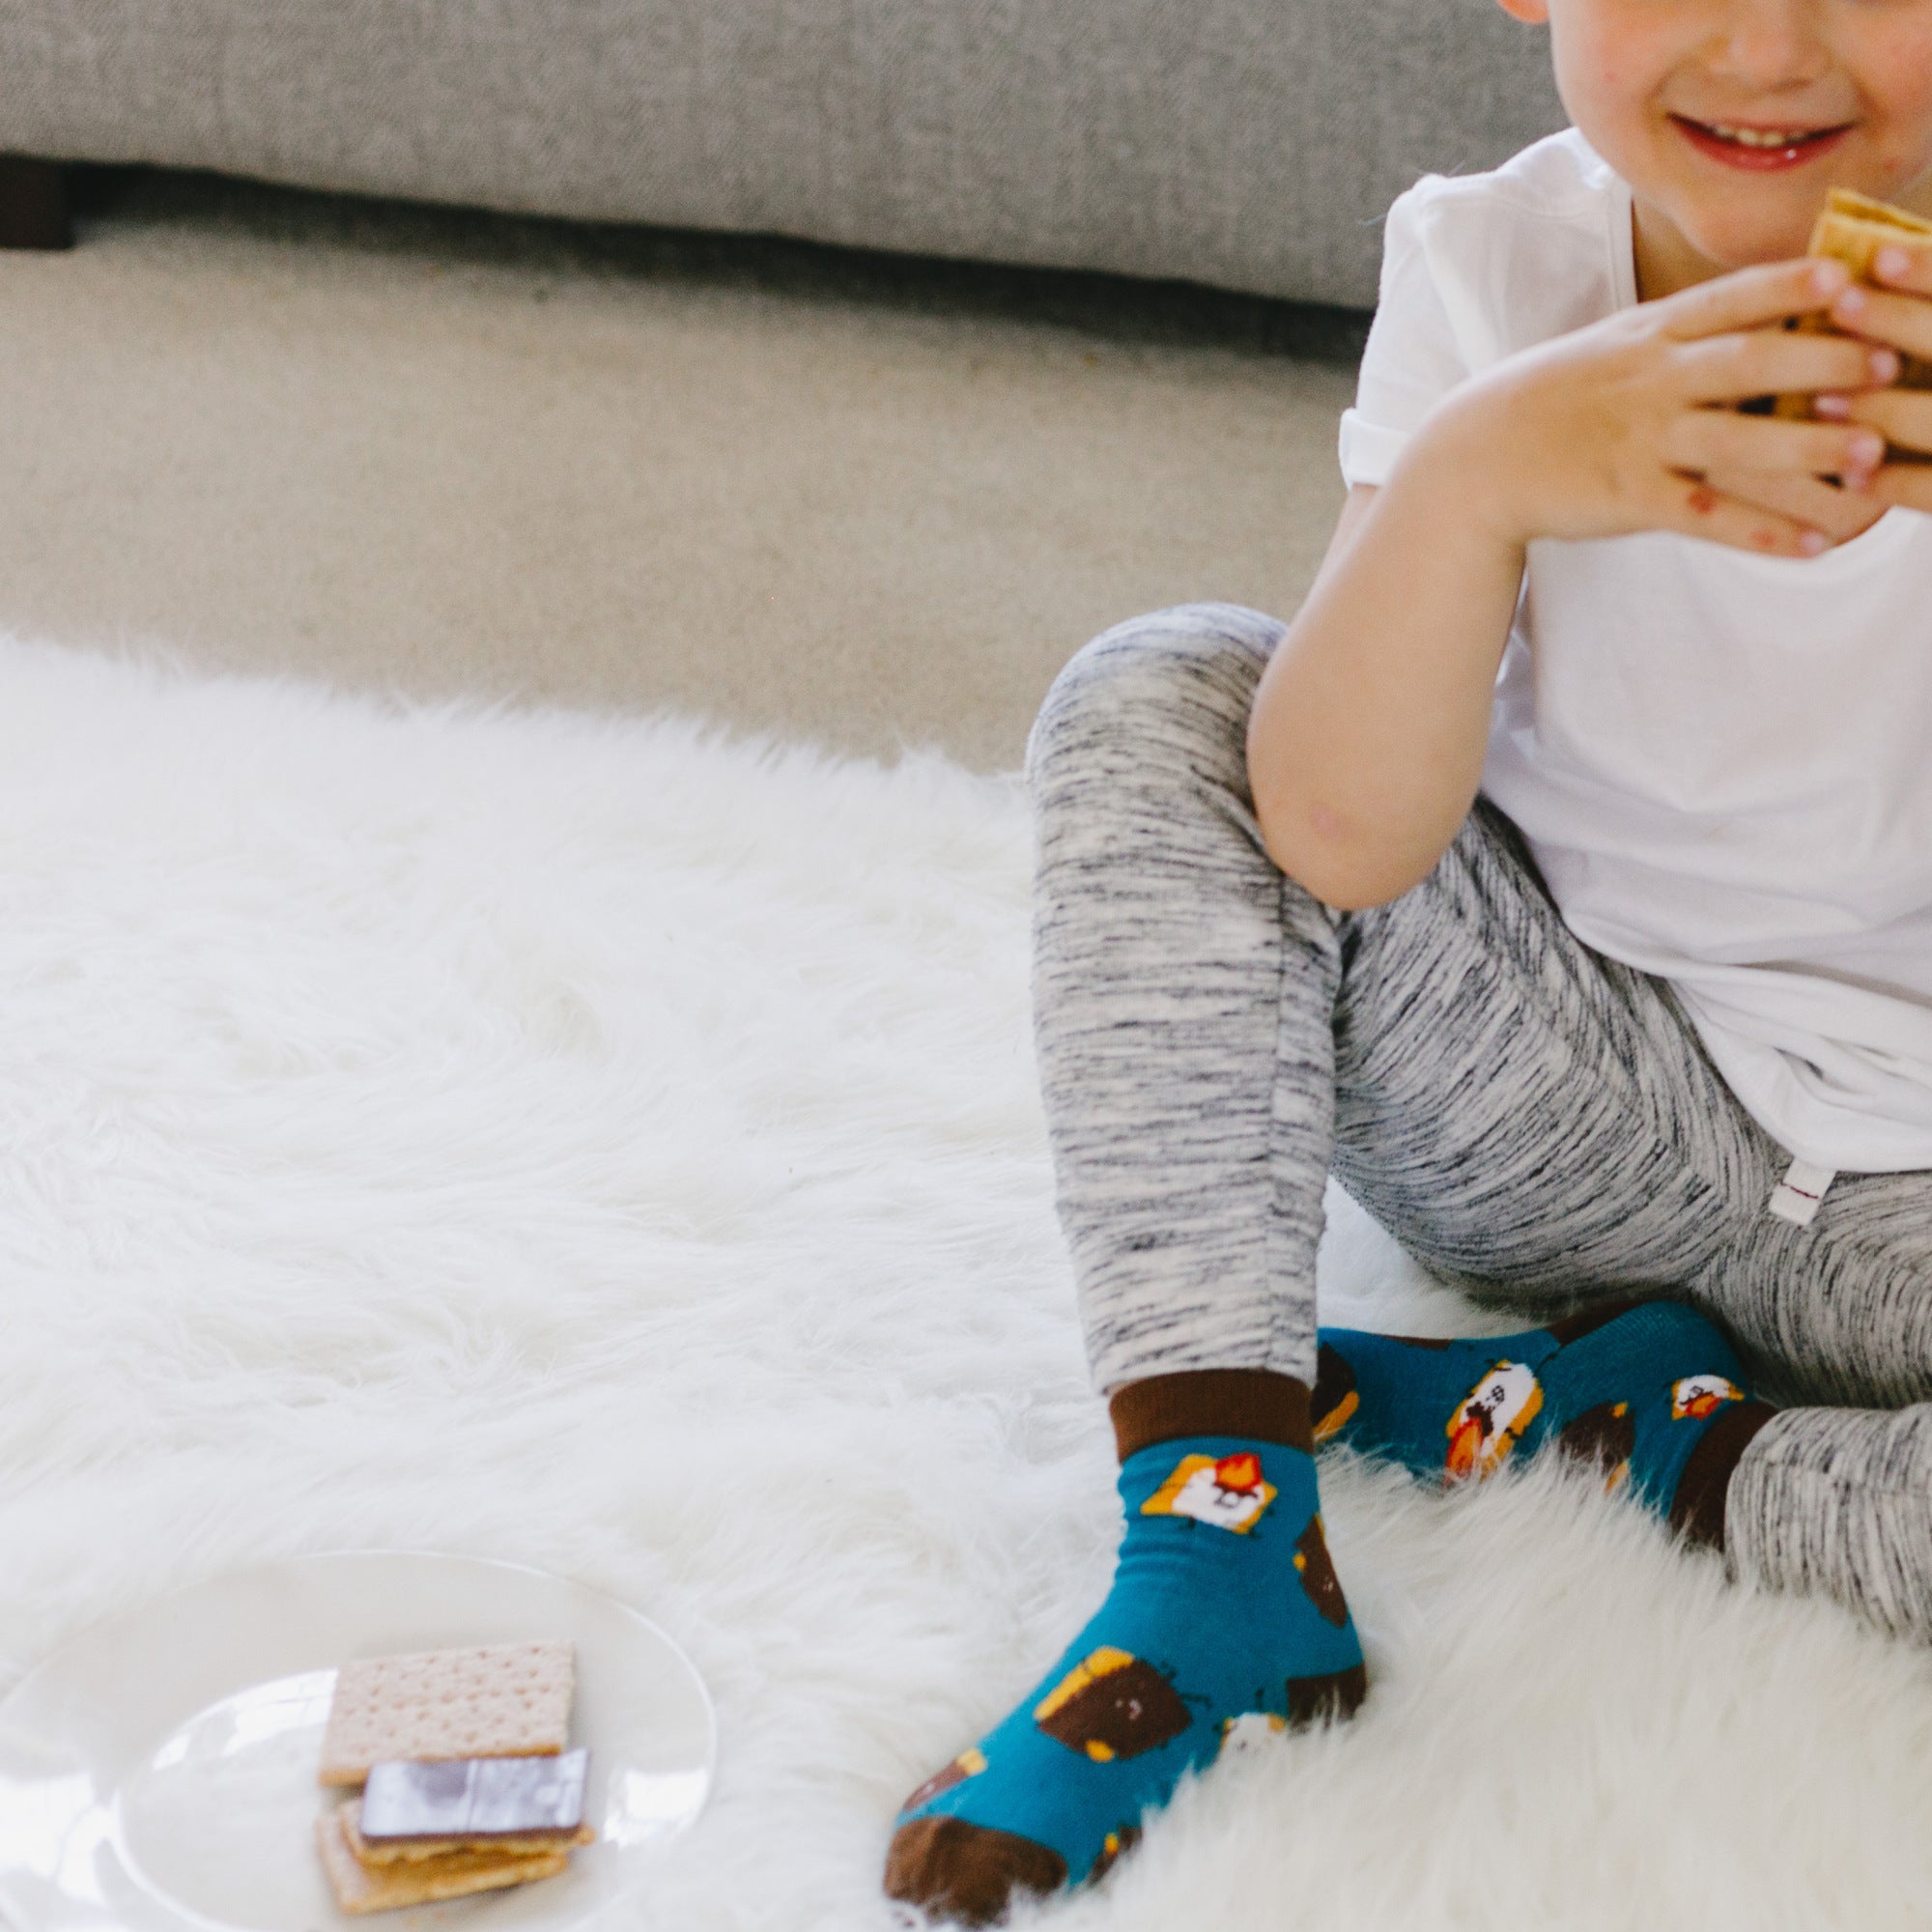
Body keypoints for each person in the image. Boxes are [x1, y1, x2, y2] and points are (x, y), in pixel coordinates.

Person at [886, 0, 1932, 1920]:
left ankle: (1641, 1444)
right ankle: (1215, 1554)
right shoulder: (1488, 264)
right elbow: (1341, 838)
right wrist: (1472, 481)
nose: (1768, 45)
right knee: (1168, 693)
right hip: (1570, 1106)